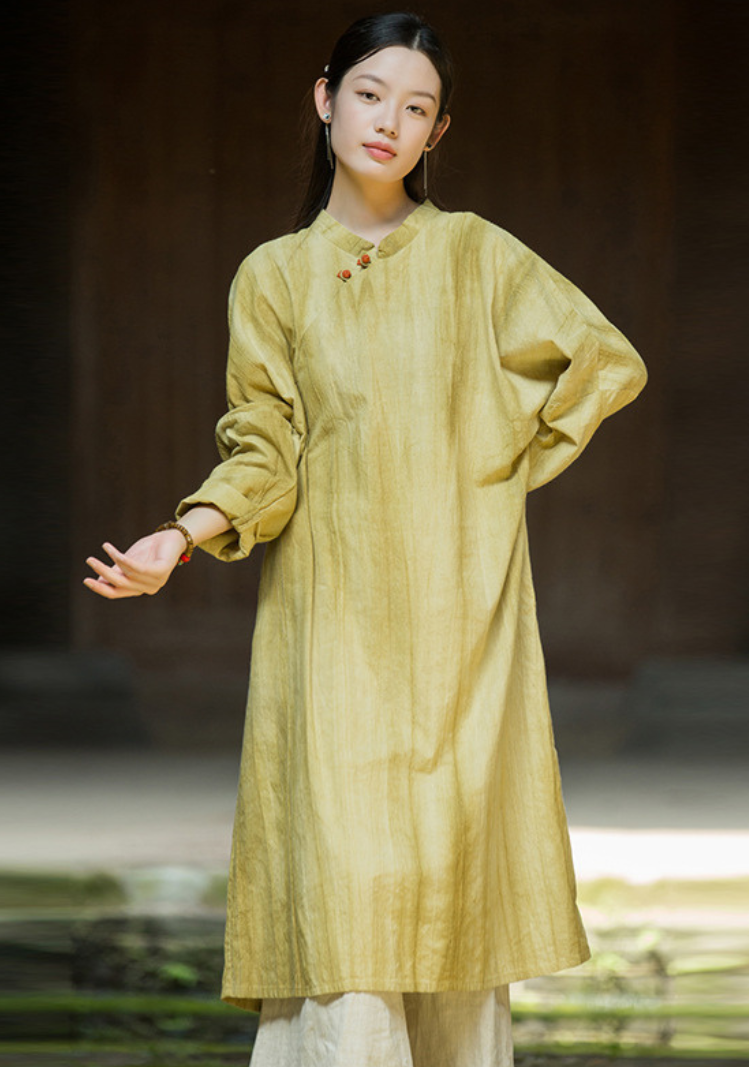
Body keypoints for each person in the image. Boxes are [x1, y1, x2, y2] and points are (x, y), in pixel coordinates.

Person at [84, 12, 648, 1066]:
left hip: (456, 636)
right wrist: (184, 533)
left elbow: (602, 361)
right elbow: (264, 449)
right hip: (329, 644)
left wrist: (490, 464)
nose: (390, 120)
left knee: (449, 914)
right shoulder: (275, 276)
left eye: (417, 107)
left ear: (438, 135)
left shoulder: (474, 253)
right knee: (346, 915)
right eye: (371, 93)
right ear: (324, 98)